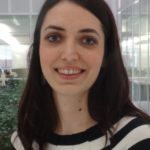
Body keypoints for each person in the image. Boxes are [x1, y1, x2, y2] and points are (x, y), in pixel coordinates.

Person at [11, 0, 150, 149]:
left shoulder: (138, 138)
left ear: (105, 55)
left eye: (88, 40)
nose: (69, 55)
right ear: (38, 50)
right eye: (54, 38)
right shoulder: (23, 141)